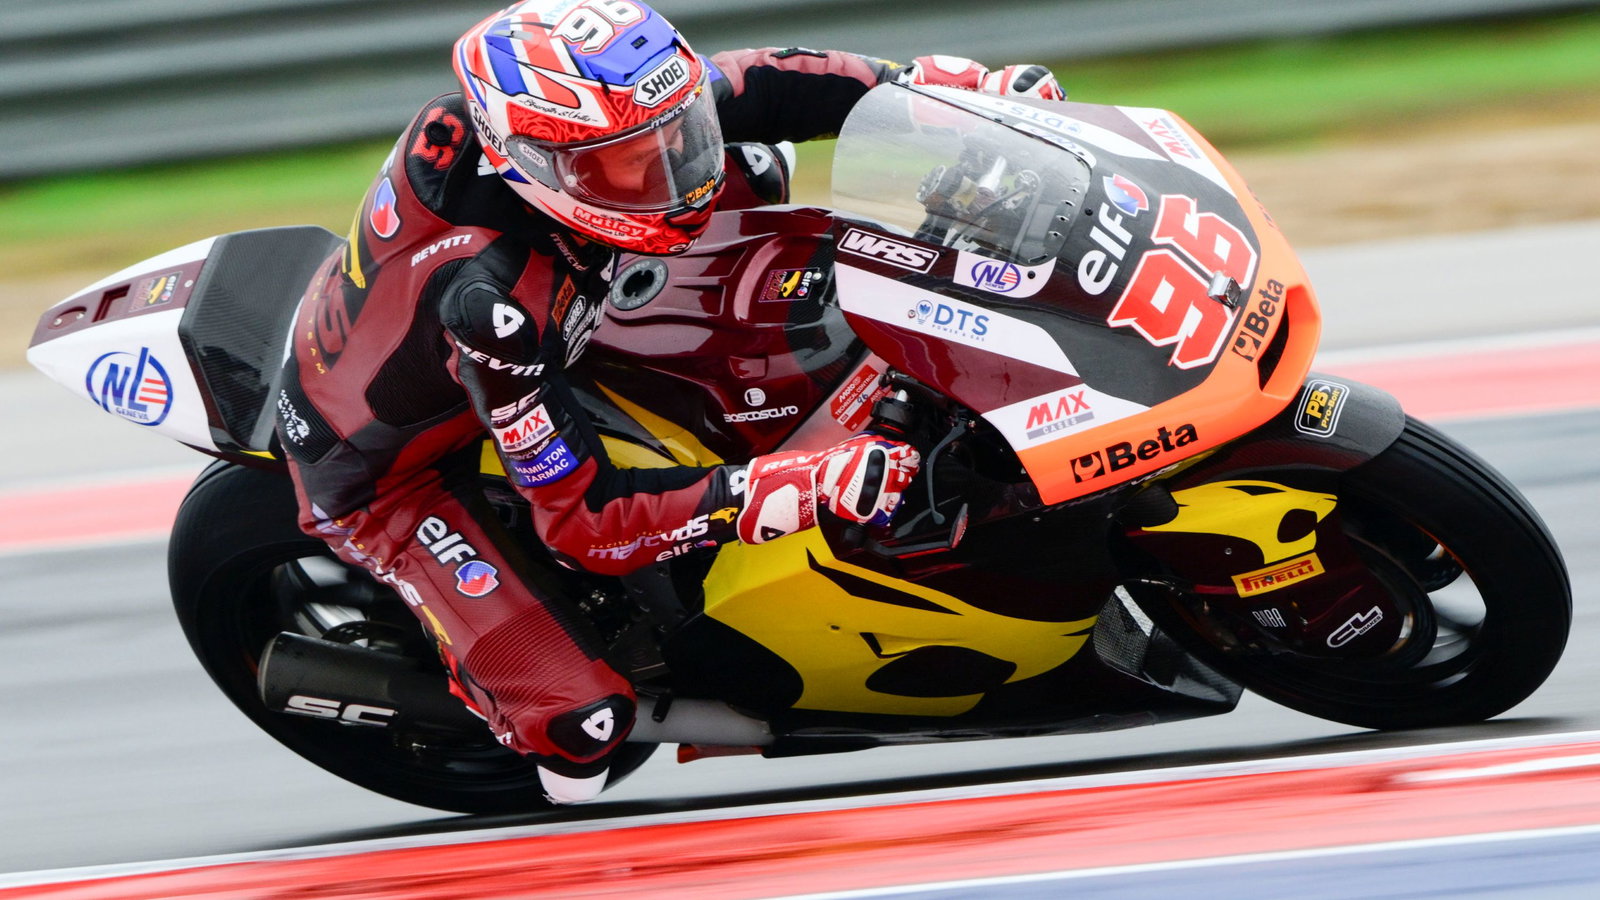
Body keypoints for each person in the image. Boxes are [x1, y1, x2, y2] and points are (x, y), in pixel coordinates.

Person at [275, 0, 1065, 804]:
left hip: (519, 322)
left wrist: (947, 93)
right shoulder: (495, 301)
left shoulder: (584, 121)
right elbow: (583, 522)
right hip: (386, 469)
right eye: (627, 165)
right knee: (581, 740)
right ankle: (488, 684)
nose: (674, 175)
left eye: (674, 137)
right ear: (536, 164)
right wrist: (789, 488)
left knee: (754, 171)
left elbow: (759, 81)